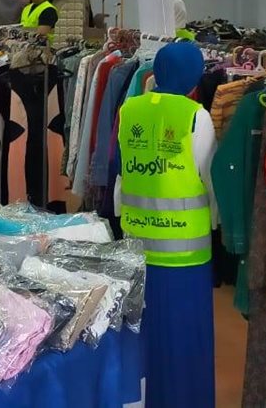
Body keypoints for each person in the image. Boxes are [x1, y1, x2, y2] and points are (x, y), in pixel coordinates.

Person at [116, 40, 217, 408]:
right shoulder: (195, 117)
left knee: (142, 340)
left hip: (136, 250)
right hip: (184, 257)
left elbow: (122, 175)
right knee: (183, 344)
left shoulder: (129, 109)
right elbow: (208, 180)